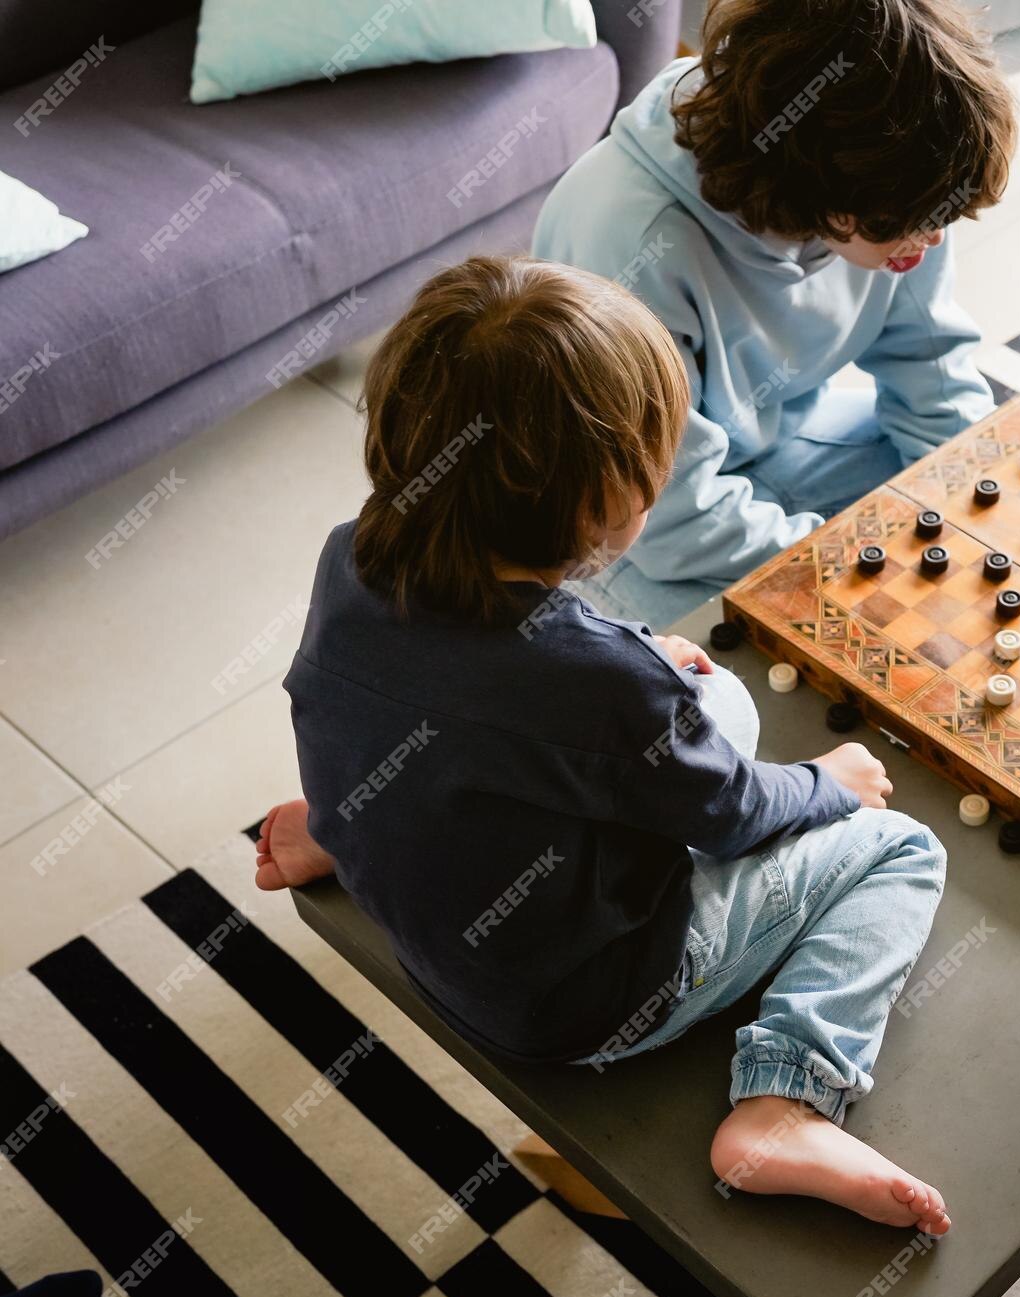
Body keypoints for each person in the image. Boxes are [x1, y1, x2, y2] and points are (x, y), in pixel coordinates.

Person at [255, 255, 951, 1233]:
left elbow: (440, 691)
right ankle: (782, 1102)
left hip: (438, 911)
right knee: (899, 849)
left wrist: (642, 680)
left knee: (711, 701)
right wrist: (823, 783)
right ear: (601, 504)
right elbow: (735, 811)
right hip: (581, 1000)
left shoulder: (355, 548)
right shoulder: (597, 683)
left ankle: (342, 824)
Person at [532, 0, 1015, 620]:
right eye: (916, 224)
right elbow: (667, 524)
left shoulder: (902, 188)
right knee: (715, 680)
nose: (931, 242)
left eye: (943, 218)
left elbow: (931, 372)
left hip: (772, 448)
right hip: (632, 528)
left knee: (979, 483)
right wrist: (868, 567)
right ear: (826, 187)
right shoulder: (627, 240)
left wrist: (978, 509)